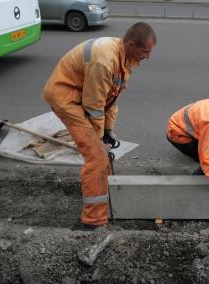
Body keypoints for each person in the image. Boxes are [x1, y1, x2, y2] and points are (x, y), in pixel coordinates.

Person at [41, 22, 157, 229]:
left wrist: (108, 130)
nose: (148, 57)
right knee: (96, 156)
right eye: (145, 51)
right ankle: (93, 221)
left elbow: (111, 97)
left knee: (103, 151)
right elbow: (94, 105)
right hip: (65, 98)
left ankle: (109, 199)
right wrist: (98, 138)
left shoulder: (125, 58)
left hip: (82, 96)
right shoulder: (104, 60)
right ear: (131, 44)